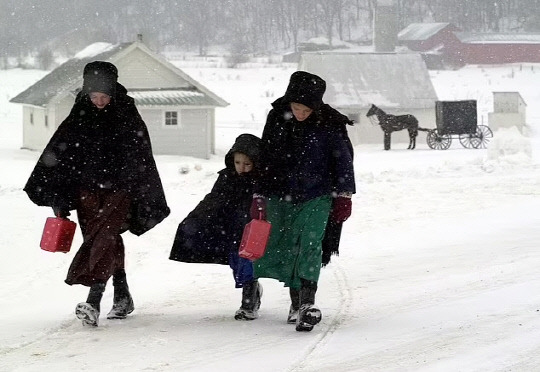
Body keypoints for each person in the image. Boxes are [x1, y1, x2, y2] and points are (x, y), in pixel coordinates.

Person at [24, 61, 170, 327]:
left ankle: (94, 300)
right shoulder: (80, 113)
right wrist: (58, 196)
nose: (100, 102)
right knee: (103, 239)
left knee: (103, 237)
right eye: (94, 97)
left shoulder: (126, 112)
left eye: (104, 96)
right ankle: (123, 294)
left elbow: (140, 154)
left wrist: (134, 187)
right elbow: (61, 154)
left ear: (113, 91)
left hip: (119, 191)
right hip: (87, 192)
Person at [251, 71, 355, 332]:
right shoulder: (277, 117)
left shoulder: (330, 122)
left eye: (306, 109)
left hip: (318, 194)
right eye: (296, 107)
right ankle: (296, 304)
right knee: (287, 245)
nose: (300, 113)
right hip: (279, 192)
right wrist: (259, 194)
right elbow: (265, 156)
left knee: (309, 243)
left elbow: (343, 158)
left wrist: (344, 195)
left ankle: (308, 304)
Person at [169, 133, 263, 320]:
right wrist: (194, 220)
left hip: (252, 230)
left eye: (247, 164)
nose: (241, 168)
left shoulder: (261, 181)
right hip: (230, 228)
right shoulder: (226, 178)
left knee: (247, 261)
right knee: (236, 263)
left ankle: (249, 299)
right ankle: (251, 288)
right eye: (238, 163)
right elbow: (213, 199)